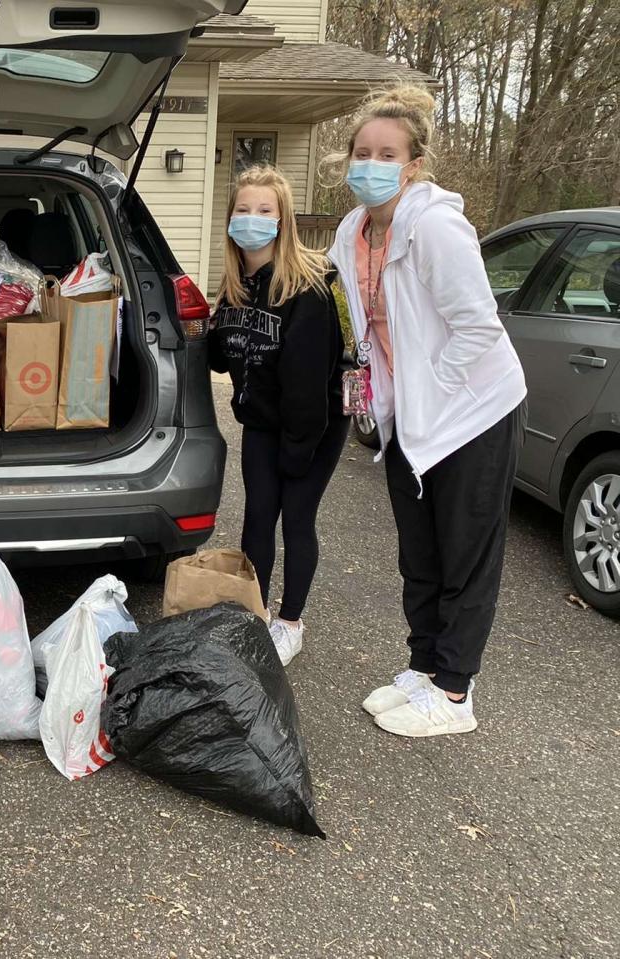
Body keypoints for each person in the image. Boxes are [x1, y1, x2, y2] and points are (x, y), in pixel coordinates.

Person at [326, 84, 526, 738]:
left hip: (472, 412)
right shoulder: (352, 233)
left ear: (412, 165)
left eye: (387, 154)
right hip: (409, 419)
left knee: (465, 552)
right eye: (362, 152)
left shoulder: (435, 226)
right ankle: (422, 667)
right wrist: (371, 397)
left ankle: (455, 690)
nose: (371, 164)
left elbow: (478, 329)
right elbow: (367, 331)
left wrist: (429, 390)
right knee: (420, 551)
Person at [210, 165, 348, 667]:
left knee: (296, 519)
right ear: (231, 220)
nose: (253, 218)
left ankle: (290, 623)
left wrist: (298, 451)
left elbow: (308, 386)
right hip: (263, 421)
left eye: (264, 210)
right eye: (244, 209)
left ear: (282, 220)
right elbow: (221, 357)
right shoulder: (235, 287)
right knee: (257, 517)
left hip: (313, 425)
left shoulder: (306, 290)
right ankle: (257, 614)